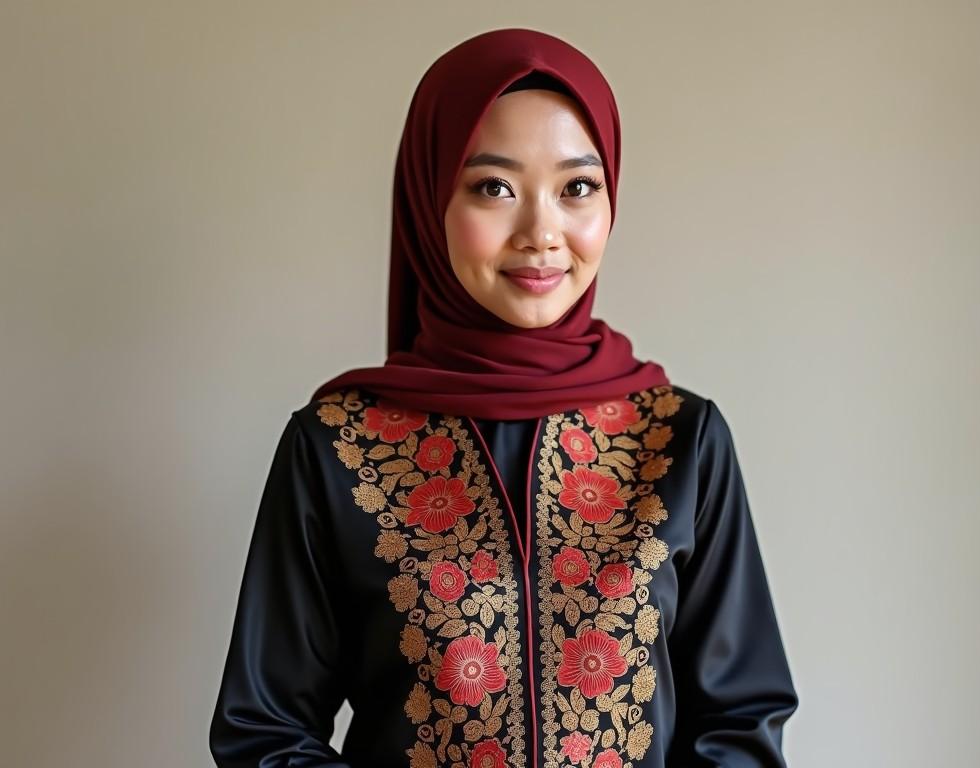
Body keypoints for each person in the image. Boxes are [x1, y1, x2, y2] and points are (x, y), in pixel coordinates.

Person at [209, 27, 798, 768]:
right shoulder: (337, 446)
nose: (542, 232)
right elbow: (263, 732)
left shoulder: (677, 439)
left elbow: (740, 722)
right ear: (431, 202)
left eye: (577, 188)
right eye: (494, 187)